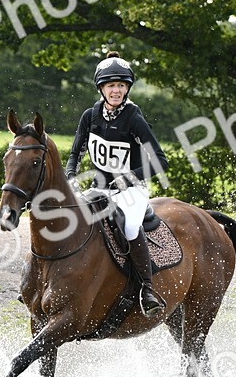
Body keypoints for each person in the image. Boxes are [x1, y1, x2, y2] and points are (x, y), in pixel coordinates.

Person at [65, 51, 170, 316]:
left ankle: (147, 288)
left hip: (131, 190)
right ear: (101, 88)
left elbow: (160, 160)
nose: (116, 90)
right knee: (70, 216)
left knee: (130, 226)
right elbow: (75, 152)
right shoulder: (90, 116)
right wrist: (70, 174)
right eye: (111, 85)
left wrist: (127, 178)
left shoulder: (133, 118)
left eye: (121, 85)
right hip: (100, 187)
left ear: (127, 88)